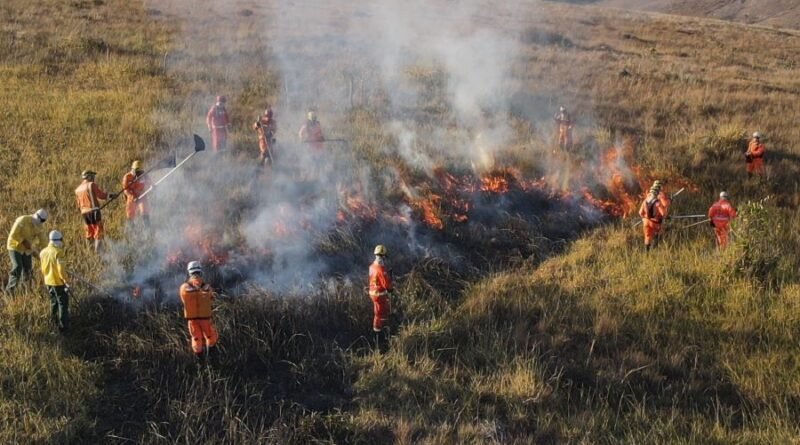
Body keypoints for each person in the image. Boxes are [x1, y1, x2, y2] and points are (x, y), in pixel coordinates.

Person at [179, 261, 219, 361]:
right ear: (200, 271)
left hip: (192, 320)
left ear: (189, 272)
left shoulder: (184, 287)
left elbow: (183, 300)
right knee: (210, 337)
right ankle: (212, 360)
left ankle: (200, 363)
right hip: (205, 318)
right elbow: (212, 298)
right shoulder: (207, 287)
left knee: (196, 339)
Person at [6, 209, 48, 294]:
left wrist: (47, 253)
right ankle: (10, 291)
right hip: (15, 246)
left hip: (26, 250)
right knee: (18, 266)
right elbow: (13, 235)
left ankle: (25, 291)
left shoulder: (39, 227)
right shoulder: (22, 220)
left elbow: (43, 241)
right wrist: (23, 241)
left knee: (28, 270)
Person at [75, 170, 114, 253]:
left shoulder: (77, 189)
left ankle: (90, 253)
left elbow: (78, 205)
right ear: (89, 177)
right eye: (93, 176)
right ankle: (98, 254)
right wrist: (110, 196)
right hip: (94, 212)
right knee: (98, 233)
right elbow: (101, 195)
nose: (94, 179)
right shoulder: (91, 185)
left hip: (84, 214)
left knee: (89, 233)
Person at [39, 230, 70, 333]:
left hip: (48, 281)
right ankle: (63, 328)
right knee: (63, 303)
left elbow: (43, 268)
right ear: (59, 240)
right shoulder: (58, 252)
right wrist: (66, 281)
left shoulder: (43, 252)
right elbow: (61, 270)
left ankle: (53, 321)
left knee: (53, 302)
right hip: (58, 282)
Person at [368, 245, 393, 340]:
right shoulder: (381, 269)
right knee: (381, 313)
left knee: (378, 312)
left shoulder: (372, 266)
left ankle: (378, 331)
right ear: (383, 256)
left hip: (372, 292)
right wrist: (390, 288)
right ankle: (379, 335)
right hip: (379, 294)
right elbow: (386, 284)